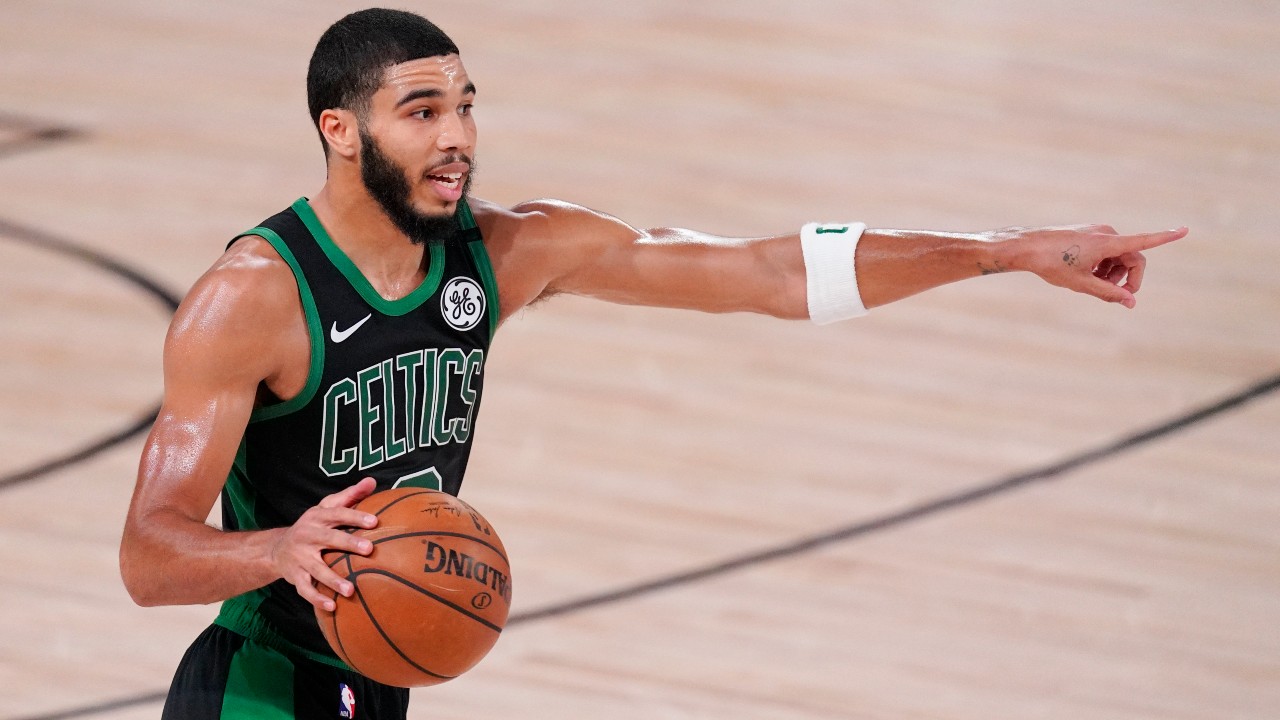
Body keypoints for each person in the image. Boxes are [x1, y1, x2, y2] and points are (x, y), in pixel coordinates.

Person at [118, 7, 1186, 719]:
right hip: (257, 683)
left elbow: (767, 273)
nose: (457, 135)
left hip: (380, 667)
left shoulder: (506, 248)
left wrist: (1001, 253)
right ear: (339, 131)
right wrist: (278, 552)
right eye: (421, 111)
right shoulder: (251, 297)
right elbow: (148, 555)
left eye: (465, 105)